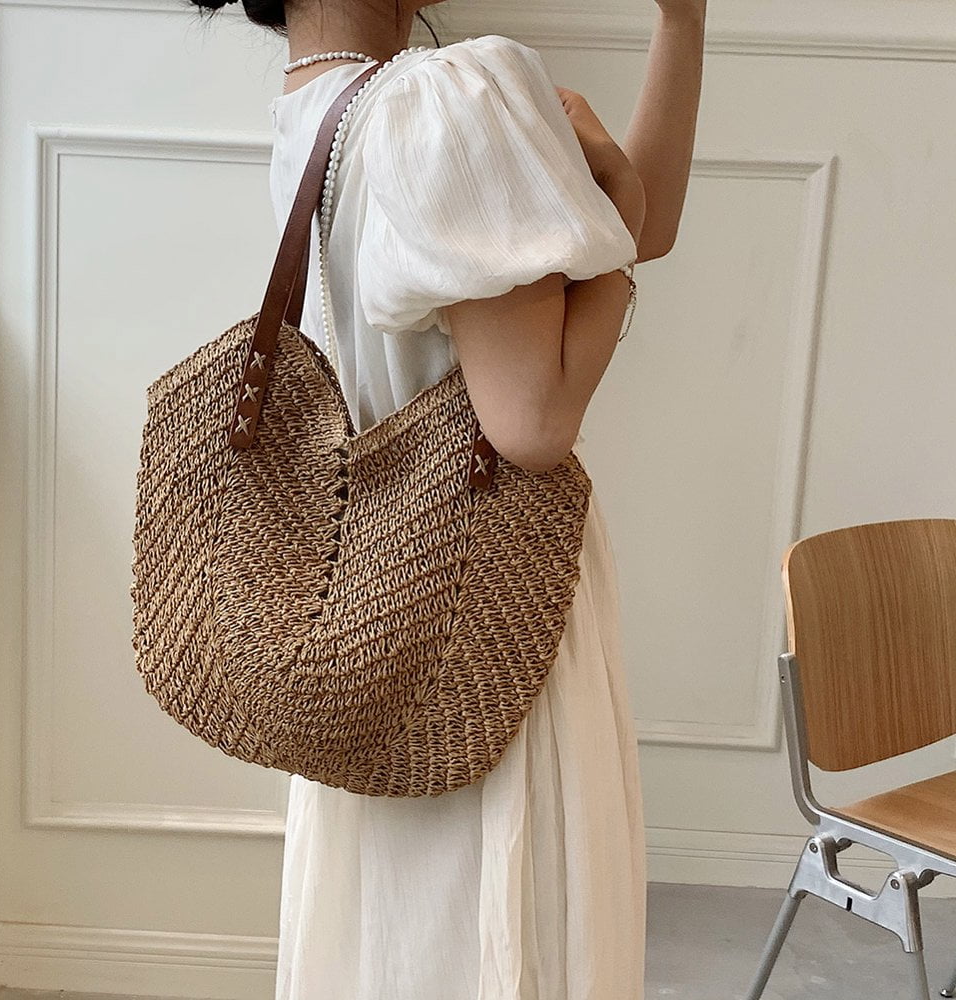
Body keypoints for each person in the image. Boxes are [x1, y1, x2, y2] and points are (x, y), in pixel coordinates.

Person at [192, 1, 706, 996]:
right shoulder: (444, 98)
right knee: (508, 928)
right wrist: (627, 218)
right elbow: (533, 419)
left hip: (375, 610)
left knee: (397, 939)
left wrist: (678, 27)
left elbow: (636, 229)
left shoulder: (312, 113)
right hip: (489, 595)